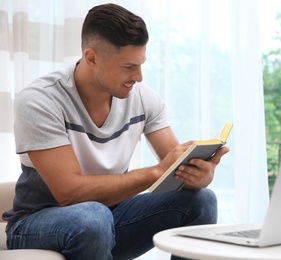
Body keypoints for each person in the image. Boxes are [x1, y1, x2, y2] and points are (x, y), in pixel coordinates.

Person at [2, 3, 229, 260]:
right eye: (128, 67)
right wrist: (155, 172)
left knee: (202, 200)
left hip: (109, 218)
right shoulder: (39, 101)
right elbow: (69, 194)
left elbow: (175, 171)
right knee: (92, 217)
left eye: (141, 64)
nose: (139, 77)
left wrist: (200, 175)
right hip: (38, 222)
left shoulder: (142, 98)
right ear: (92, 58)